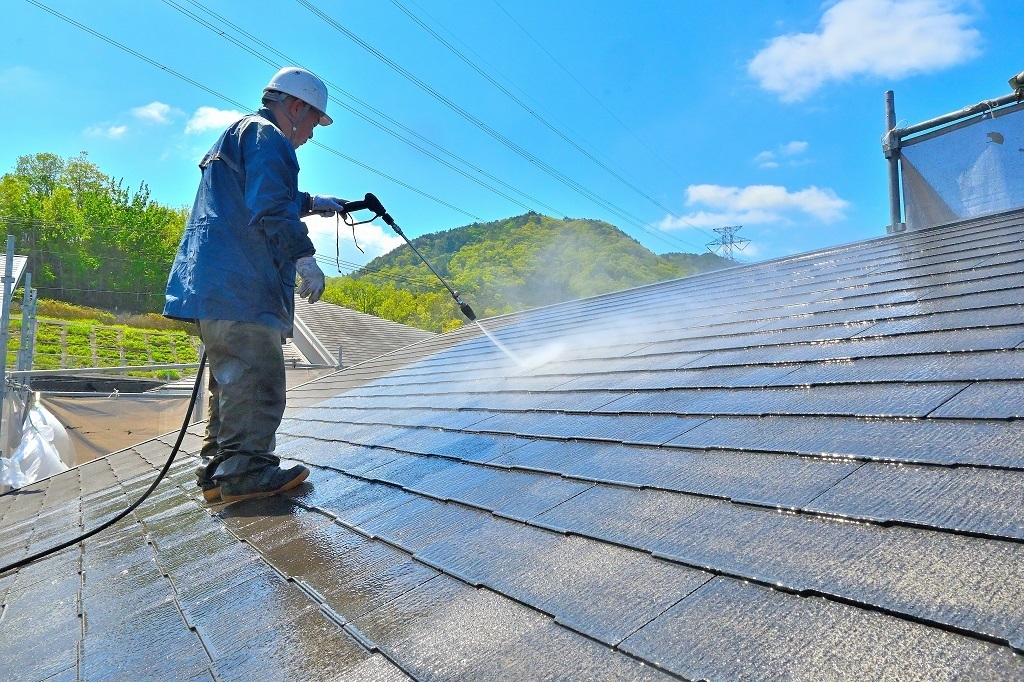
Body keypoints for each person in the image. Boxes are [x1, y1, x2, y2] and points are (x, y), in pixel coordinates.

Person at [164, 66, 347, 503]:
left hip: (215, 286)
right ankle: (246, 471)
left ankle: (217, 471)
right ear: (295, 106)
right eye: (313, 122)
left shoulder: (239, 135)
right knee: (257, 379)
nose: (311, 134)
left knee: (230, 381)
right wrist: (305, 258)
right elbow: (268, 204)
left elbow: (259, 193)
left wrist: (313, 202)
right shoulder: (269, 137)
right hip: (243, 285)